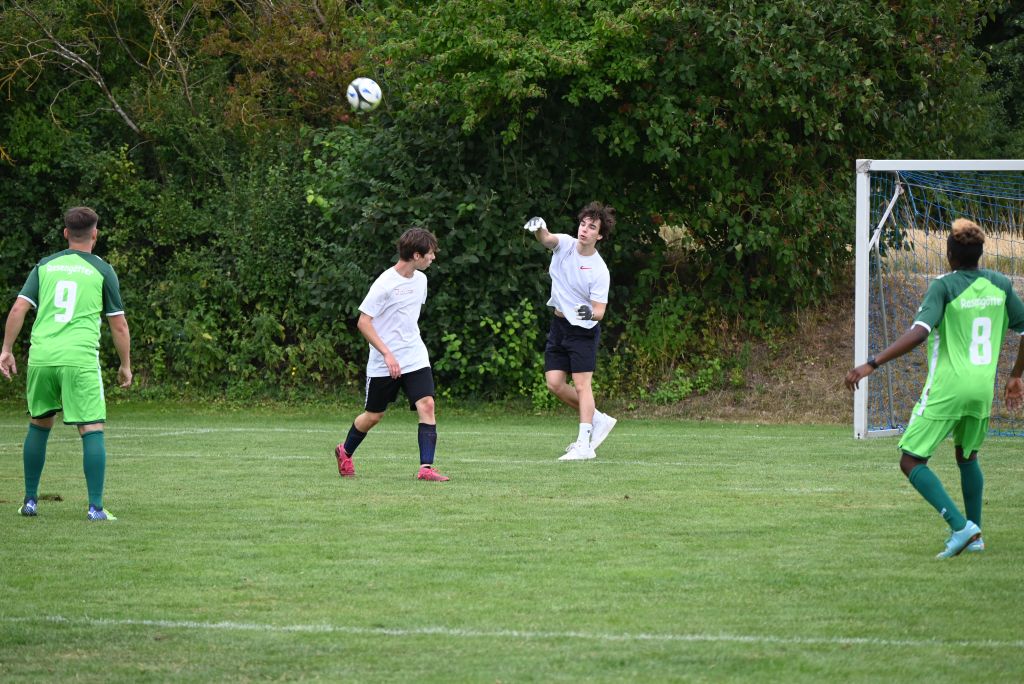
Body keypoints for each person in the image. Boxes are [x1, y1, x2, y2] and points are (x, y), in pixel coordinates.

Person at [845, 218, 1024, 558]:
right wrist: (1015, 375)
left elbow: (920, 332)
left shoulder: (943, 286)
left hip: (947, 389)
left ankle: (961, 527)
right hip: (982, 390)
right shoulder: (1000, 284)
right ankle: (976, 534)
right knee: (967, 456)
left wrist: (872, 363)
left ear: (949, 255)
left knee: (911, 460)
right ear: (980, 254)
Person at [1, 207, 132, 521]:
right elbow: (119, 325)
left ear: (65, 234)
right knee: (91, 427)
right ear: (95, 234)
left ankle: (29, 502)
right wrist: (125, 365)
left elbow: (18, 309)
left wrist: (6, 349)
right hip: (78, 359)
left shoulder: (45, 266)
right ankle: (95, 508)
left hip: (42, 357)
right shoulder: (102, 270)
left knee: (39, 423)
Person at [334, 227, 449, 481]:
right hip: (384, 361)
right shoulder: (384, 284)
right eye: (430, 253)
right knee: (374, 415)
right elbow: (364, 322)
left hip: (414, 356)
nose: (433, 257)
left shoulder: (421, 280)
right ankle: (345, 451)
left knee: (427, 404)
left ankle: (426, 468)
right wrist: (387, 354)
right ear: (416, 255)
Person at [524, 202, 618, 461]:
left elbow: (599, 311)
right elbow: (546, 239)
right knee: (554, 384)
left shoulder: (599, 270)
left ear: (600, 235)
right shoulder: (565, 244)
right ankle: (597, 418)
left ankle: (584, 444)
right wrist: (539, 227)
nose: (584, 230)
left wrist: (588, 313)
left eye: (592, 227)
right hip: (559, 326)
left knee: (581, 385)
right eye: (583, 224)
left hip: (583, 332)